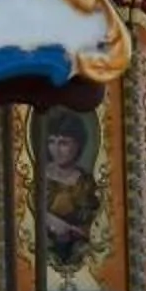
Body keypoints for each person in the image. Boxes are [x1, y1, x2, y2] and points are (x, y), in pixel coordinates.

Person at [38, 111, 100, 271]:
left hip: (78, 257)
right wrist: (47, 219)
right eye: (52, 142)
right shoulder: (36, 177)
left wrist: (73, 232)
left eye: (63, 143)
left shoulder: (87, 183)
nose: (56, 150)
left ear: (78, 145)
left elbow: (96, 225)